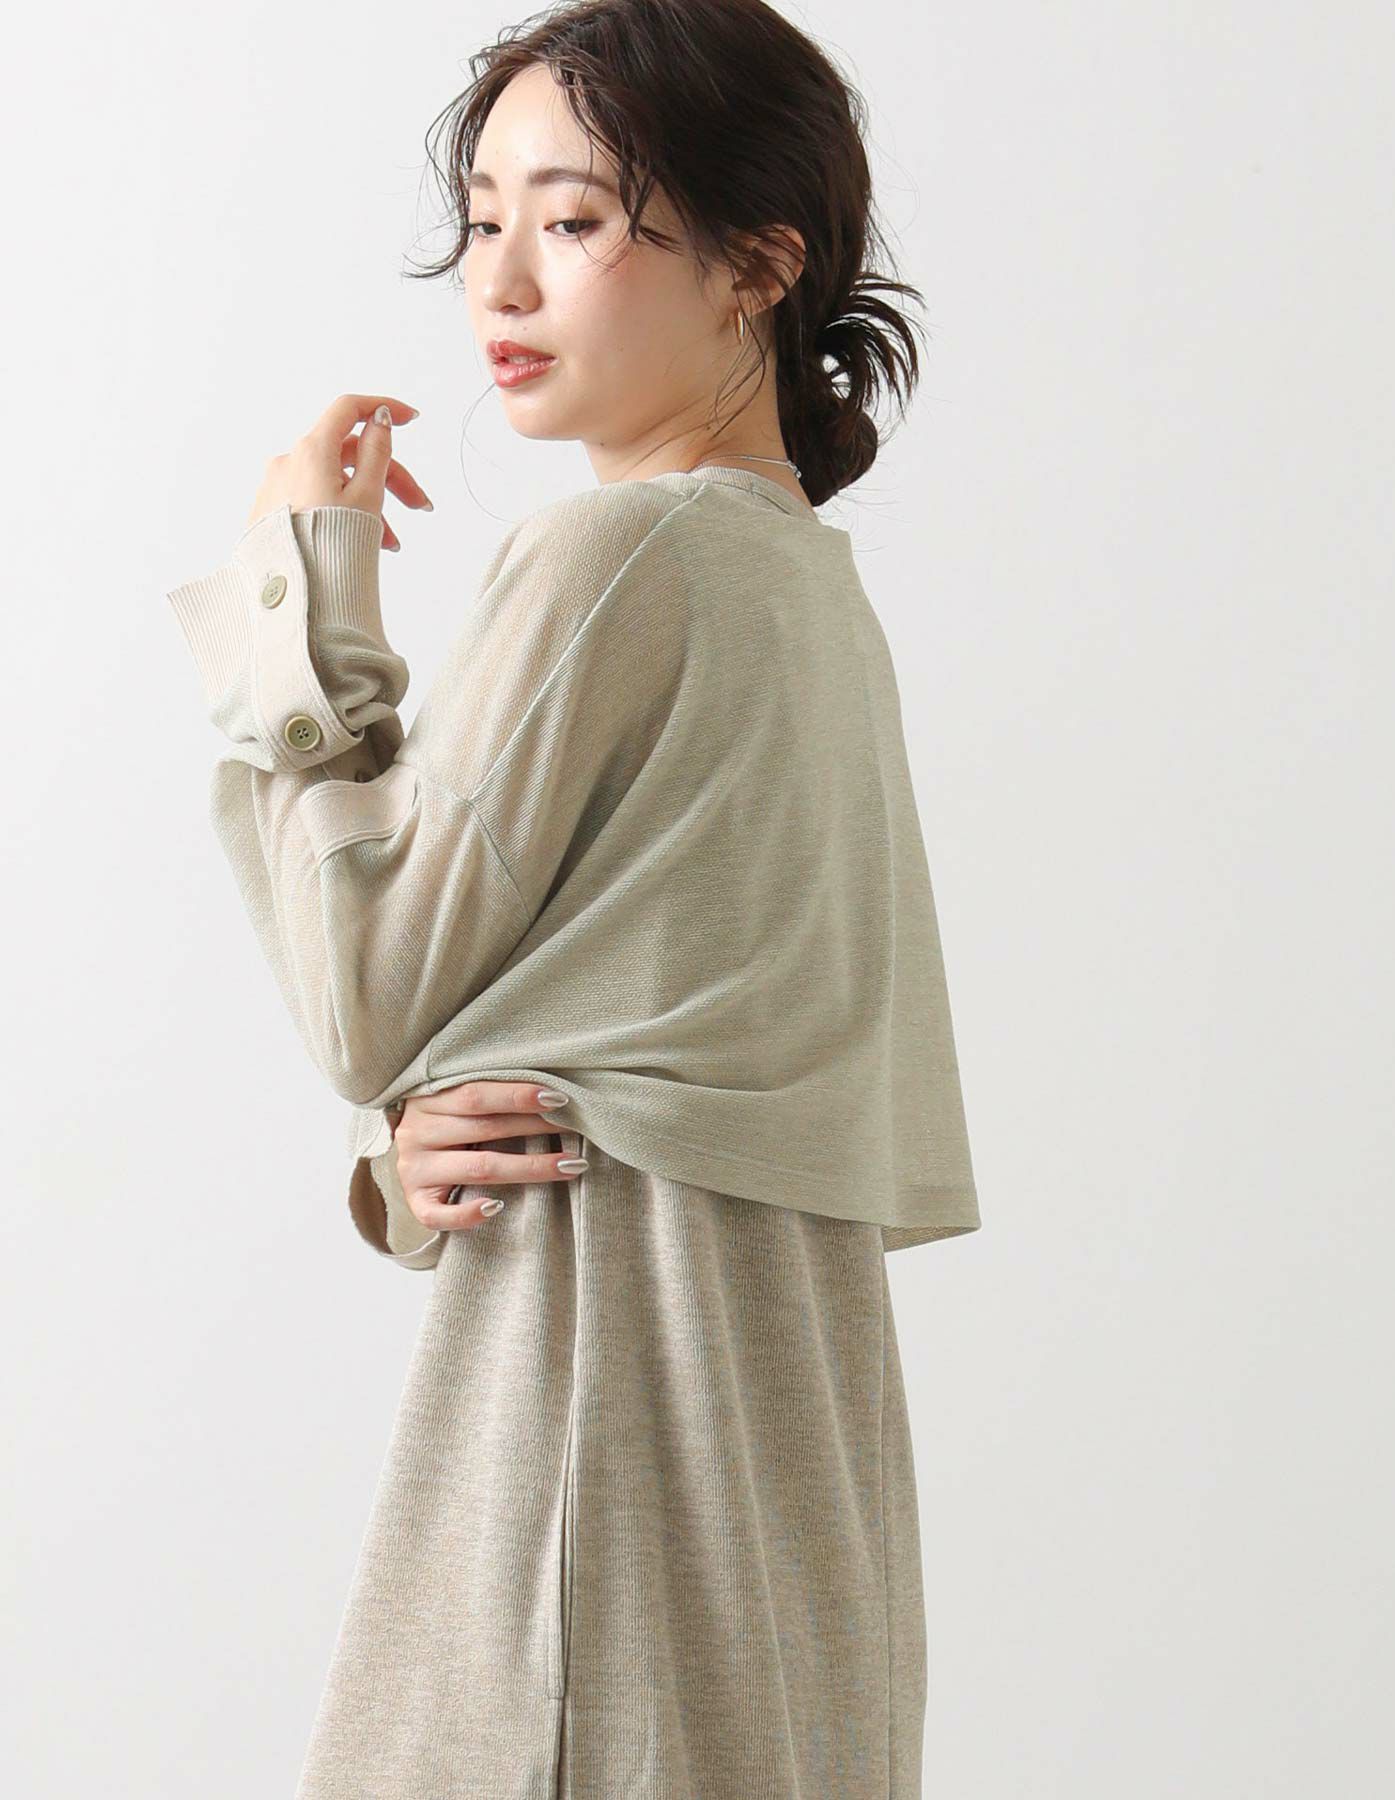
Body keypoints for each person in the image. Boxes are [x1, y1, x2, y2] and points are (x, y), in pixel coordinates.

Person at [166, 2, 981, 1793]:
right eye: (482, 221)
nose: (502, 281)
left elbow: (370, 991)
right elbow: (693, 1049)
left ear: (760, 262)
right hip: (795, 1478)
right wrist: (413, 1148)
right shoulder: (815, 601)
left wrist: (300, 603)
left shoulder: (614, 554)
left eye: (577, 217)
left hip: (601, 1420)